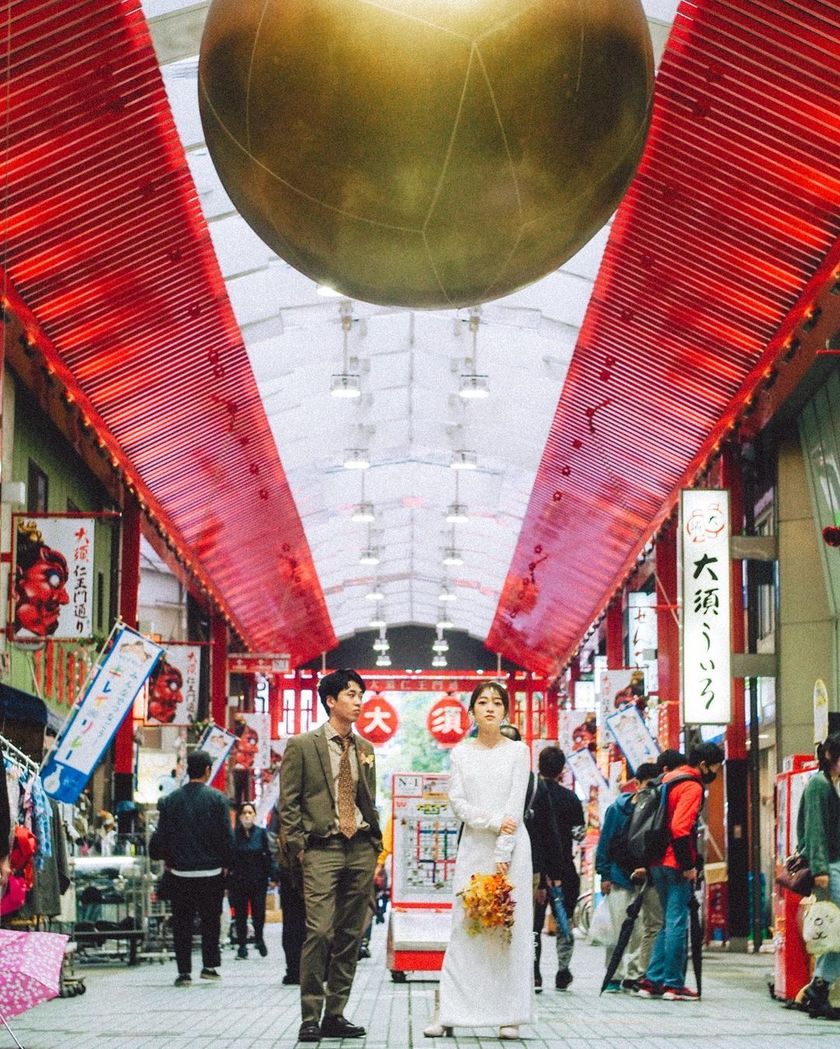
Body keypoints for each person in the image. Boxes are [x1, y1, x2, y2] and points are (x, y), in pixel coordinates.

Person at [424, 681, 533, 1040]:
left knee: (507, 928)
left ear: (505, 711)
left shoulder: (519, 751)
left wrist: (503, 851)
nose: (490, 708)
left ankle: (509, 1014)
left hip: (512, 849)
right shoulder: (461, 753)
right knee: (464, 926)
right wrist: (489, 822)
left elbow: (515, 806)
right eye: (482, 702)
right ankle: (450, 1012)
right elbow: (457, 802)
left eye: (497, 702)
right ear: (471, 711)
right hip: (473, 846)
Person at [279, 669, 381, 1043]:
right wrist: (299, 848)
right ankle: (310, 1015)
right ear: (330, 700)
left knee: (350, 934)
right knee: (319, 931)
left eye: (360, 696)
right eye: (351, 695)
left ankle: (336, 1013)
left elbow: (367, 799)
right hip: (321, 849)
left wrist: (375, 841)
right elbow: (288, 802)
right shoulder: (303, 745)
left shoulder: (365, 749)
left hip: (360, 848)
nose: (358, 701)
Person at [636, 741, 724, 1002]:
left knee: (666, 920)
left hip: (656, 860)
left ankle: (653, 979)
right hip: (675, 862)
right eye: (716, 766)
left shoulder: (666, 779)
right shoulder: (691, 785)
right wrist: (688, 866)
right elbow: (680, 828)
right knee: (677, 921)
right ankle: (674, 984)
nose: (715, 772)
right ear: (703, 764)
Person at [151, 749, 234, 987]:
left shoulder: (171, 801)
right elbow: (225, 837)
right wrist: (227, 865)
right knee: (210, 921)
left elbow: (162, 837)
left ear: (188, 770)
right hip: (211, 873)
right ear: (208, 770)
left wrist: (169, 860)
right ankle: (209, 967)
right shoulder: (218, 800)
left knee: (182, 922)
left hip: (180, 873)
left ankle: (184, 972)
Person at [595, 762, 660, 993]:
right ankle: (614, 973)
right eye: (650, 784)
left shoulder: (657, 808)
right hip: (619, 876)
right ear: (637, 784)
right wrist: (604, 874)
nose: (653, 788)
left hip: (645, 879)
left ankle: (632, 975)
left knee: (641, 930)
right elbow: (605, 843)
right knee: (618, 928)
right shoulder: (617, 809)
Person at [530, 745, 585, 993]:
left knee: (534, 924)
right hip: (564, 869)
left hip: (536, 868)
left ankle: (534, 972)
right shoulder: (570, 798)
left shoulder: (530, 795)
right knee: (565, 921)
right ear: (562, 769)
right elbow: (579, 834)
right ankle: (563, 970)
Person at [795, 733, 840, 1020]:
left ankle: (819, 989)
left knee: (835, 933)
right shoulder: (818, 786)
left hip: (835, 866)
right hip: (831, 869)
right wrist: (821, 870)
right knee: (835, 933)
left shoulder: (832, 785)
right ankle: (819, 988)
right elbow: (814, 830)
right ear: (830, 756)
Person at [228, 802, 272, 960]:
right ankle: (242, 945)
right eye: (244, 813)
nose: (247, 816)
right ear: (240, 816)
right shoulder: (233, 835)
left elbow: (268, 855)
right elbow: (229, 857)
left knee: (258, 912)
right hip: (238, 881)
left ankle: (259, 939)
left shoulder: (261, 834)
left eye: (250, 813)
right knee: (240, 914)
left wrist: (272, 876)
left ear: (254, 815)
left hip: (258, 880)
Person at [270, 806, 306, 985]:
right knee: (311, 923)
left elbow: (271, 839)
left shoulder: (281, 806)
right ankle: (304, 969)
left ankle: (294, 970)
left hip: (290, 871)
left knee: (292, 924)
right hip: (304, 872)